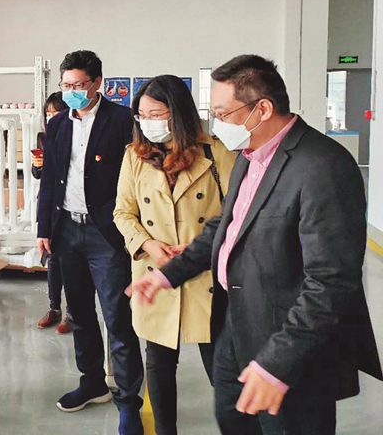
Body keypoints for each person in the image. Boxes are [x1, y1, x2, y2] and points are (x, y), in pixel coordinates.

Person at [129, 55, 382, 435]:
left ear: (262, 109)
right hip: (237, 326)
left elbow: (330, 283)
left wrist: (277, 363)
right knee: (234, 421)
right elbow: (226, 227)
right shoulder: (251, 156)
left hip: (291, 347)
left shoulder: (322, 167)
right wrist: (168, 275)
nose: (217, 125)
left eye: (223, 114)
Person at [114, 75, 235, 435]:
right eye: (142, 116)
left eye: (156, 114)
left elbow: (236, 215)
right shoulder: (135, 156)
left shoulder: (216, 153)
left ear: (178, 113)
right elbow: (123, 212)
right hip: (155, 272)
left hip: (204, 273)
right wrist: (147, 244)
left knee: (222, 369)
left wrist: (198, 249)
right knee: (159, 364)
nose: (148, 123)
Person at [37, 50, 144, 435]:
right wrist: (44, 228)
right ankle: (93, 382)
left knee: (117, 318)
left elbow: (137, 177)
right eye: (66, 85)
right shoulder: (58, 125)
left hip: (106, 234)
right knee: (80, 314)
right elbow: (50, 179)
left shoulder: (121, 121)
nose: (71, 92)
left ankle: (129, 402)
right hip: (67, 231)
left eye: (78, 85)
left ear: (98, 83)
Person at [33, 92, 74, 334]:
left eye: (56, 112)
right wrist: (37, 166)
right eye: (48, 113)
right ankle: (54, 307)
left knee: (71, 264)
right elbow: (41, 176)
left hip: (68, 207)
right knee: (53, 260)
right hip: (49, 208)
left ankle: (72, 313)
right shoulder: (44, 138)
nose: (51, 117)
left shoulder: (75, 137)